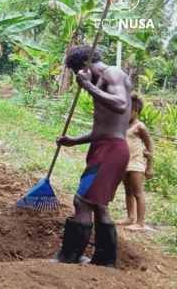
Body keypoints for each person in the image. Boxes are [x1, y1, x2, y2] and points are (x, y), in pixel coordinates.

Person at [53, 45, 132, 268]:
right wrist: (73, 140)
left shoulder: (113, 73)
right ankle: (103, 260)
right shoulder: (101, 81)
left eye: (75, 72)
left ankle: (68, 257)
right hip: (103, 145)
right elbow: (104, 127)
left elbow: (121, 104)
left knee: (82, 201)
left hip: (112, 150)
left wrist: (87, 85)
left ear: (82, 67)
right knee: (98, 205)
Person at [116, 93, 153, 231]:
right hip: (125, 163)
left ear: (135, 111)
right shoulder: (123, 125)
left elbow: (149, 148)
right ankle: (130, 217)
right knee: (128, 191)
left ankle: (140, 222)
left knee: (138, 192)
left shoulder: (140, 127)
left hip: (136, 164)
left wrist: (149, 167)